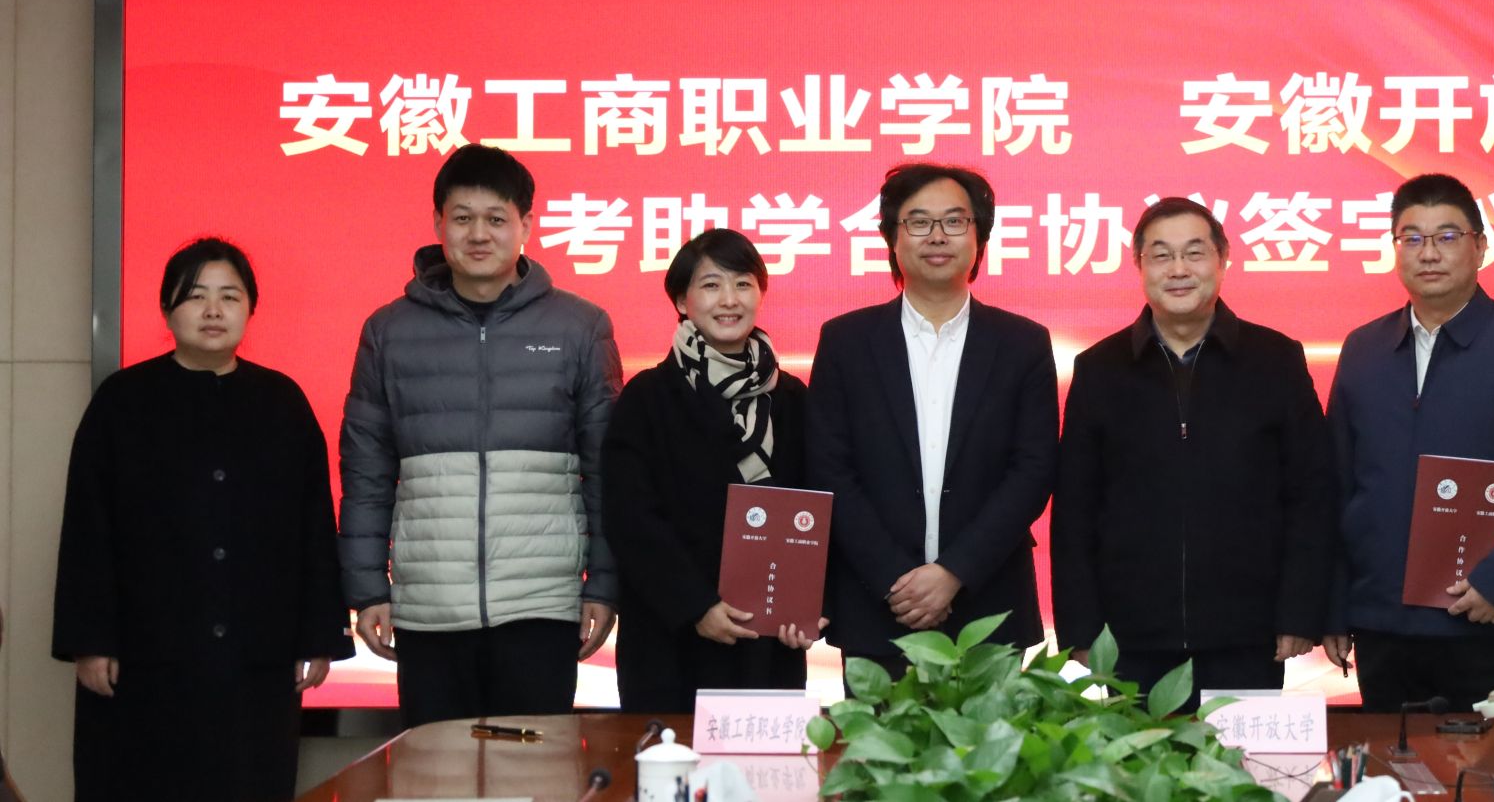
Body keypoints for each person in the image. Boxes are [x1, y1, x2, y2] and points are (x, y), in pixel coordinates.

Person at [53, 238, 353, 801]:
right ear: (167, 309)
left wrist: (319, 636)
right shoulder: (122, 402)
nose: (213, 310)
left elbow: (314, 526)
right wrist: (89, 641)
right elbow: (88, 529)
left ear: (250, 308)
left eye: (229, 296)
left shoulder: (282, 403)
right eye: (195, 296)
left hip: (255, 657)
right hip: (144, 658)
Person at [339, 144, 622, 728]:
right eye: (462, 217)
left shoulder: (579, 327)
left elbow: (607, 471)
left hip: (542, 606)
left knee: (534, 767)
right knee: (435, 769)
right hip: (429, 605)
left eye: (496, 218)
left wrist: (604, 585)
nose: (478, 234)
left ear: (526, 225)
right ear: (438, 222)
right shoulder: (389, 331)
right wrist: (367, 588)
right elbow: (367, 471)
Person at [1323, 173, 1494, 709]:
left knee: (1493, 766)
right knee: (1390, 765)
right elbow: (1336, 485)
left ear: (1481, 247)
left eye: (1447, 236)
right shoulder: (1363, 350)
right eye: (1412, 238)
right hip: (1382, 628)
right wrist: (1333, 608)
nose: (1429, 253)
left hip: (1487, 621)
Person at [1052, 197, 1332, 696]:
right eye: (1161, 255)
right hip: (1131, 638)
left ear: (1223, 260)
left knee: (1242, 751)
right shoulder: (1100, 369)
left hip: (1248, 636)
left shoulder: (1275, 361)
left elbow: (1312, 494)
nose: (1178, 269)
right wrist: (1080, 629)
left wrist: (1299, 611)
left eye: (1194, 253)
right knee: (1136, 752)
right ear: (1139, 266)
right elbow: (1075, 509)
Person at [807, 162, 1058, 672]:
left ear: (979, 238)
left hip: (989, 607)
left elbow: (1033, 470)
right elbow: (829, 469)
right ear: (892, 239)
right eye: (919, 222)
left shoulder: (1023, 343)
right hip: (877, 607)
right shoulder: (845, 342)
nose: (937, 236)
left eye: (954, 221)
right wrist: (894, 578)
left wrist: (954, 572)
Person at [602, 228, 821, 711]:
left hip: (769, 639)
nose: (729, 300)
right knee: (673, 759)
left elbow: (818, 506)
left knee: (765, 760)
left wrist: (807, 605)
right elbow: (629, 515)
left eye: (743, 284)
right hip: (671, 637)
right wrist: (695, 606)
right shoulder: (648, 397)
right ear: (682, 301)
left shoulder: (792, 398)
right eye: (710, 285)